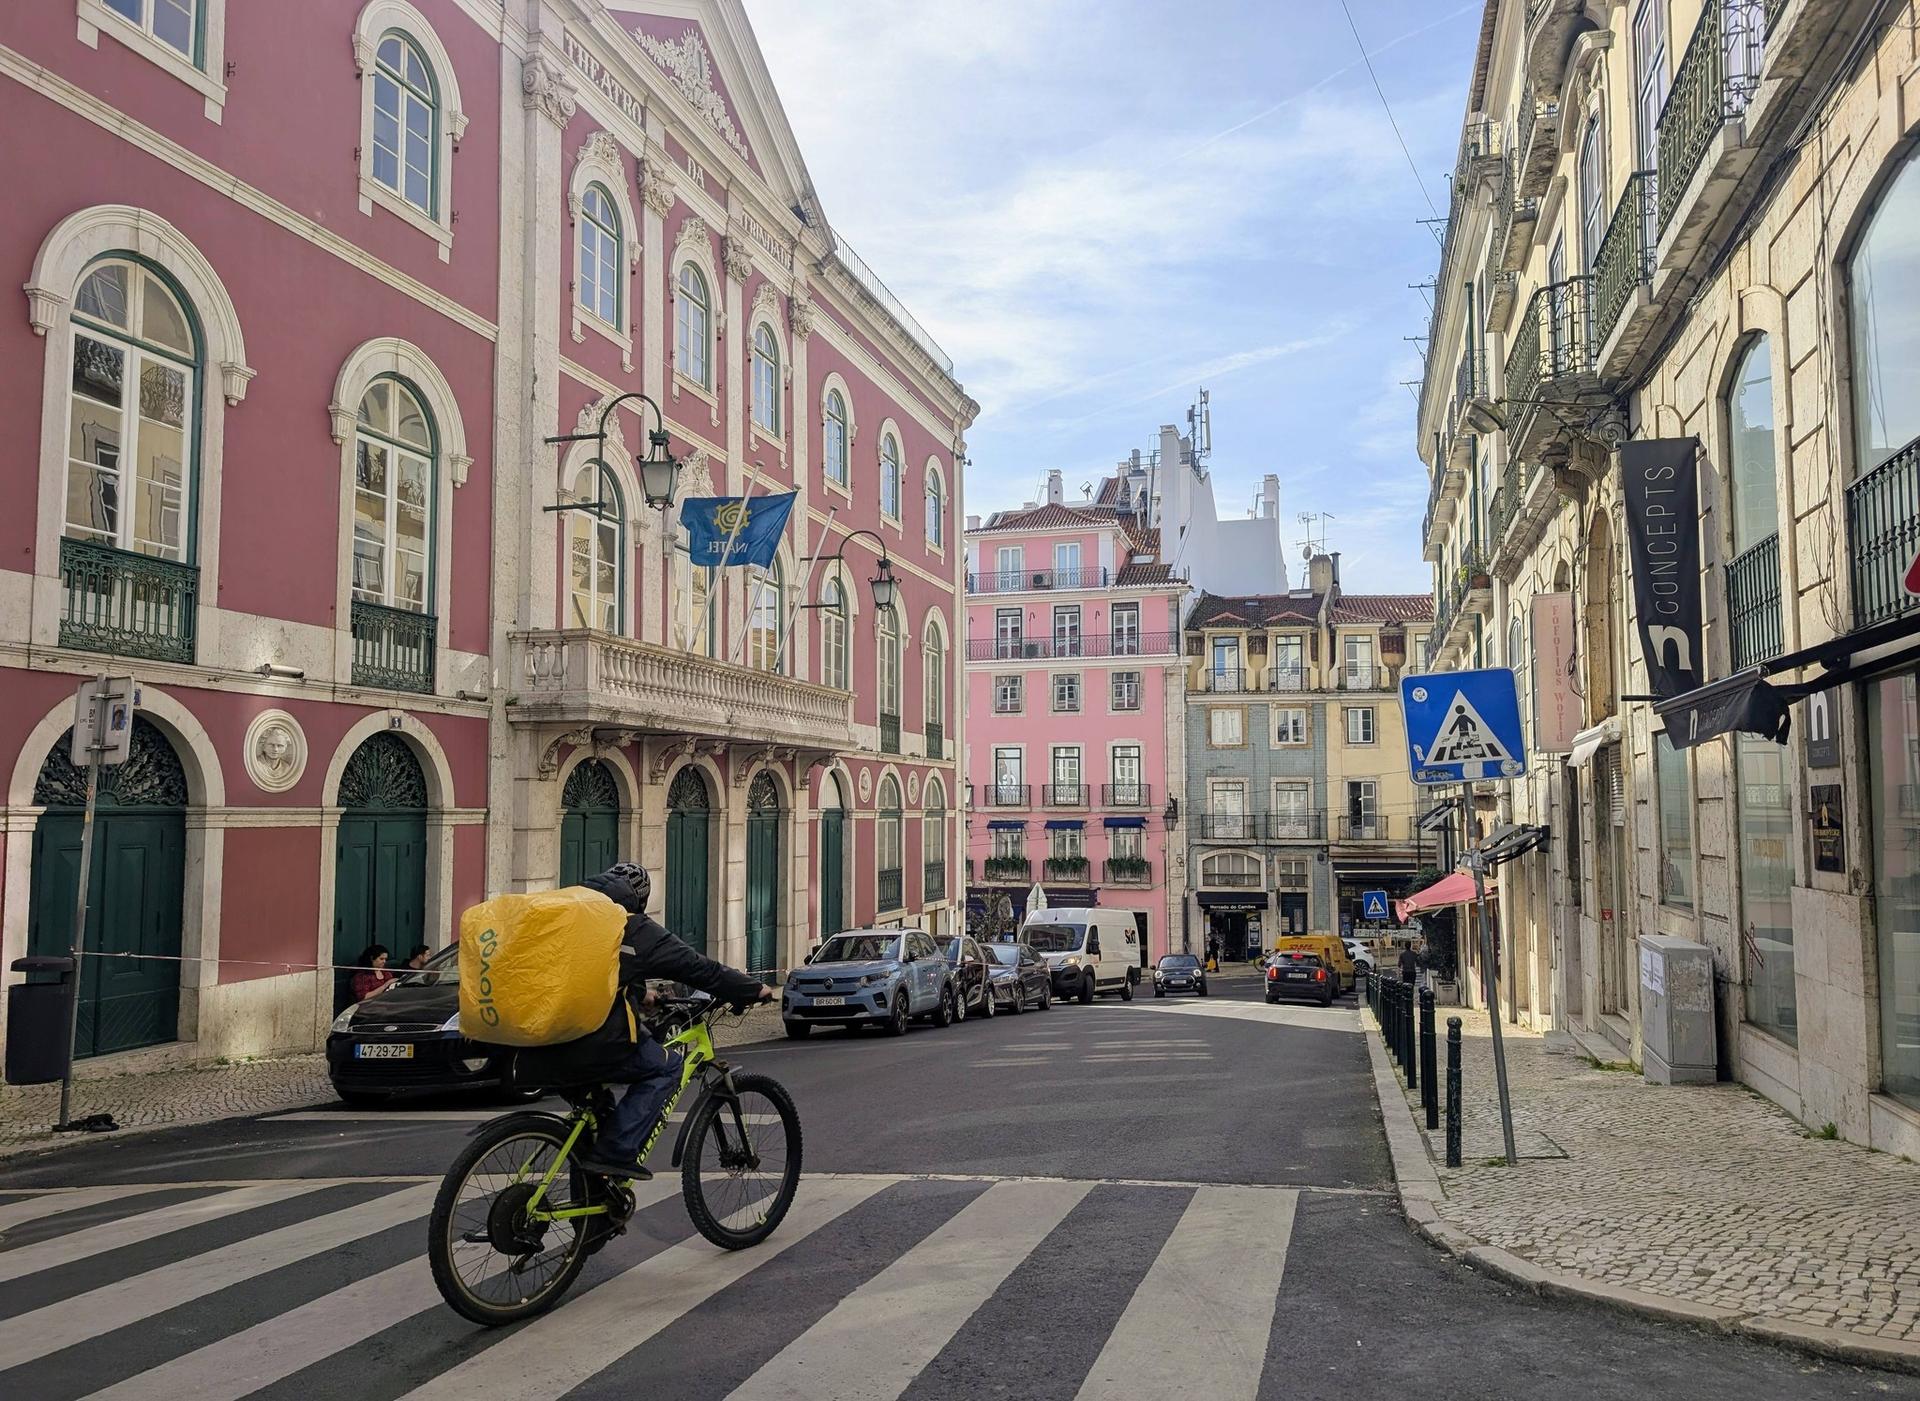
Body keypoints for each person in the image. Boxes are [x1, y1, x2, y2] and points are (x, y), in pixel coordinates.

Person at [562, 862, 776, 1181]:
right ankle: (616, 1154)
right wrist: (752, 989)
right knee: (668, 1067)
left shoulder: (573, 922)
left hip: (545, 1041)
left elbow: (596, 974)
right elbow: (699, 969)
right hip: (593, 1039)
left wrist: (640, 994)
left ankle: (593, 1199)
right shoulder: (632, 927)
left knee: (595, 1121)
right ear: (639, 900)